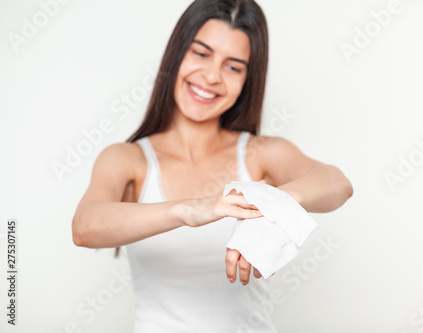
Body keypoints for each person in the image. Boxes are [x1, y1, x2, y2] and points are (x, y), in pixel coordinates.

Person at [72, 0, 353, 331]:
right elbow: (85, 227)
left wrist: (274, 202)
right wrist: (188, 211)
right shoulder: (128, 159)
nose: (211, 76)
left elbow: (338, 184)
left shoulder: (260, 153)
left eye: (233, 67)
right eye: (201, 53)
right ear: (176, 54)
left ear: (248, 79)